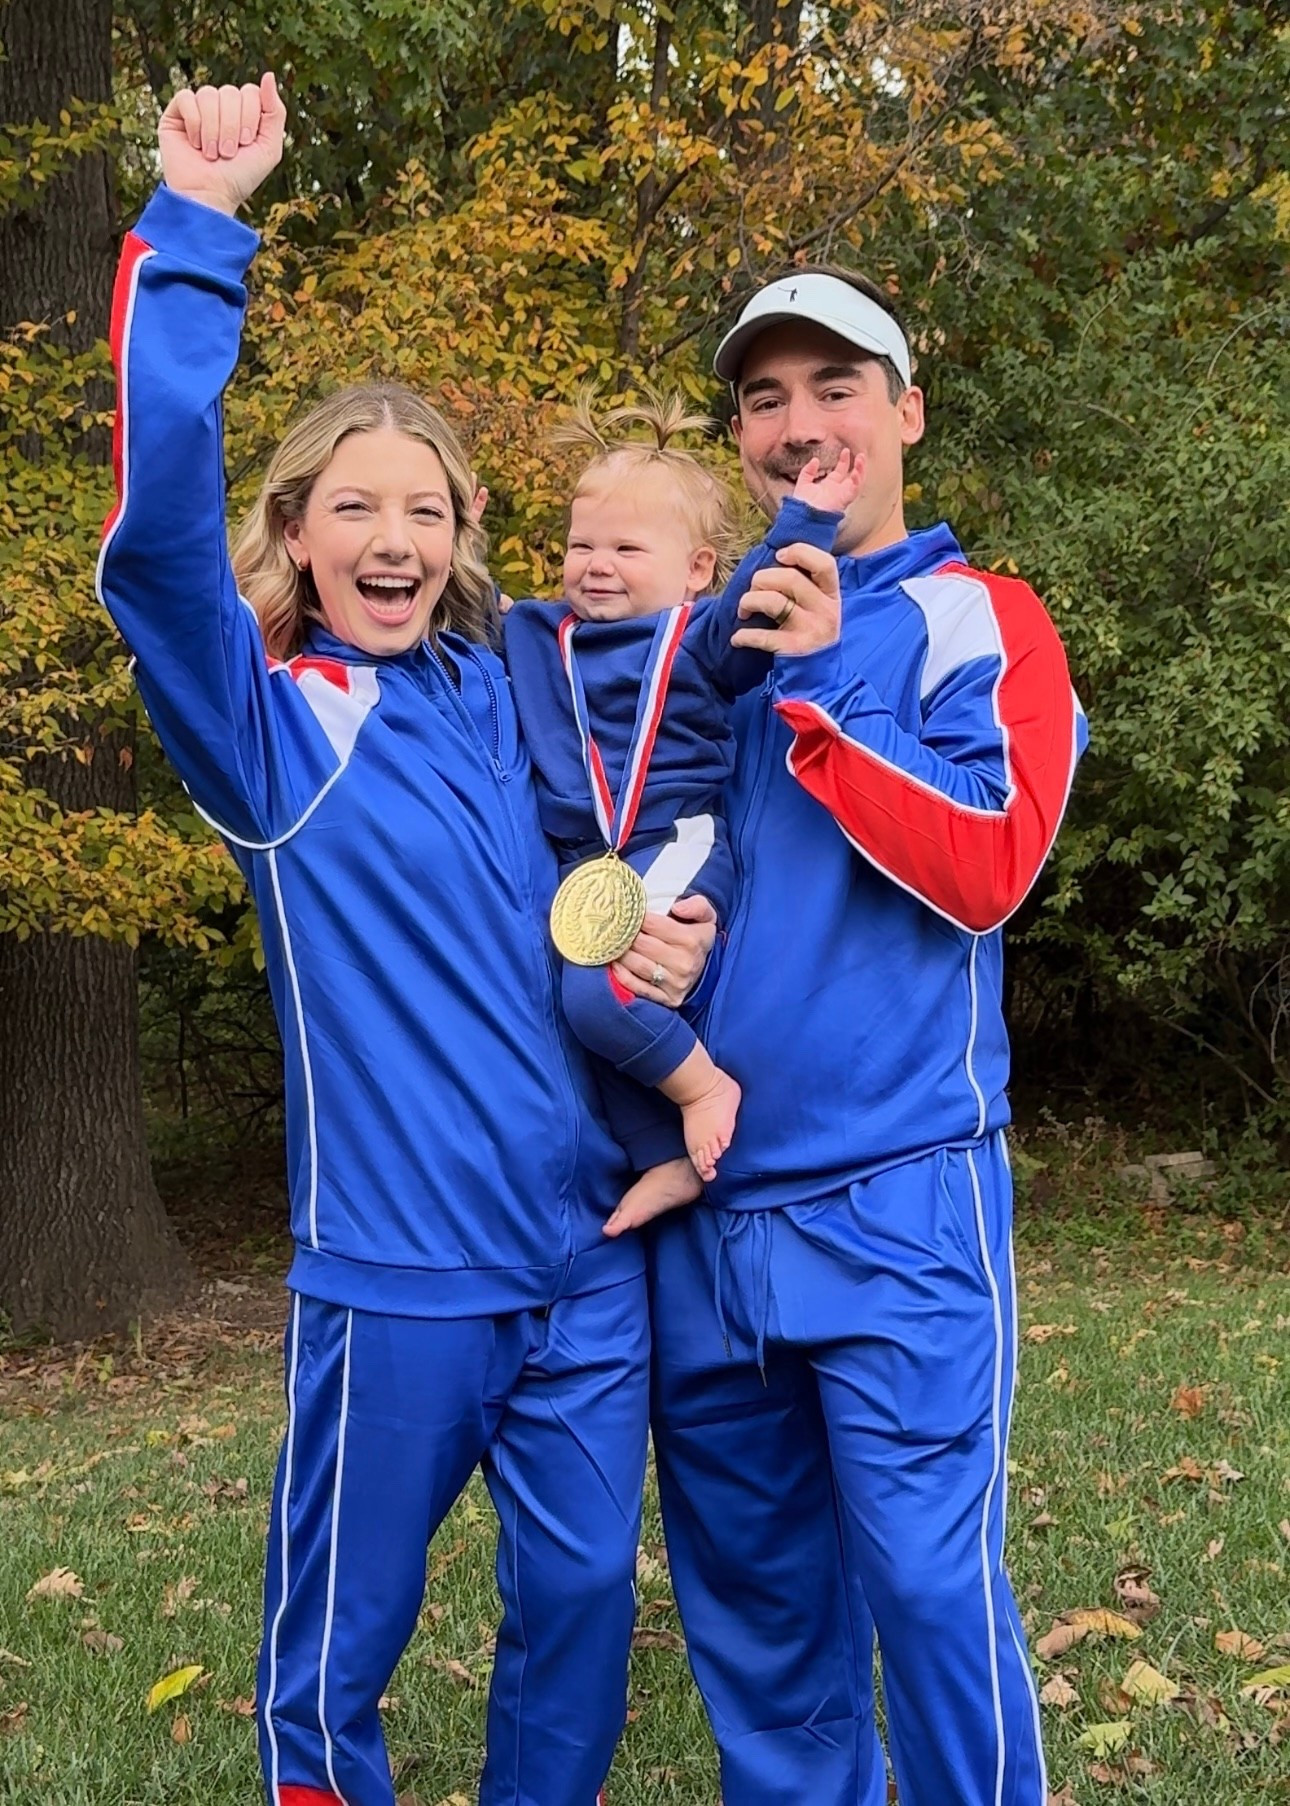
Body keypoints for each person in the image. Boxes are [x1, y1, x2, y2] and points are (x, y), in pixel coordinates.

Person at [96, 74, 708, 1806]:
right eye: (355, 506)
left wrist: (678, 946)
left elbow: (657, 776)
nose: (394, 536)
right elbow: (152, 556)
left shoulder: (512, 699)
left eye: (427, 509)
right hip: (396, 1280)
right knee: (338, 1656)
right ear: (300, 532)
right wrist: (201, 230)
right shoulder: (276, 735)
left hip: (580, 1256)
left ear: (460, 545)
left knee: (586, 1594)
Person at [647, 267, 1088, 1806]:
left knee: (923, 1591)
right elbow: (652, 856)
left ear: (903, 411)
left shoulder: (981, 618)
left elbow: (988, 861)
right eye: (762, 396)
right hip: (709, 1212)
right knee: (763, 1628)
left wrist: (829, 676)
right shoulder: (705, 640)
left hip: (899, 1198)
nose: (795, 421)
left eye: (833, 385)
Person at [503, 393, 859, 1223]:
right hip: (588, 866)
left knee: (601, 996)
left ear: (696, 569)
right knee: (572, 1012)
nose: (597, 564)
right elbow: (457, 605)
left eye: (627, 548)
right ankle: (664, 1155)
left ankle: (705, 1091)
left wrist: (806, 517)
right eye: (580, 544)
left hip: (675, 842)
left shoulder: (696, 638)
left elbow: (761, 596)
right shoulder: (533, 633)